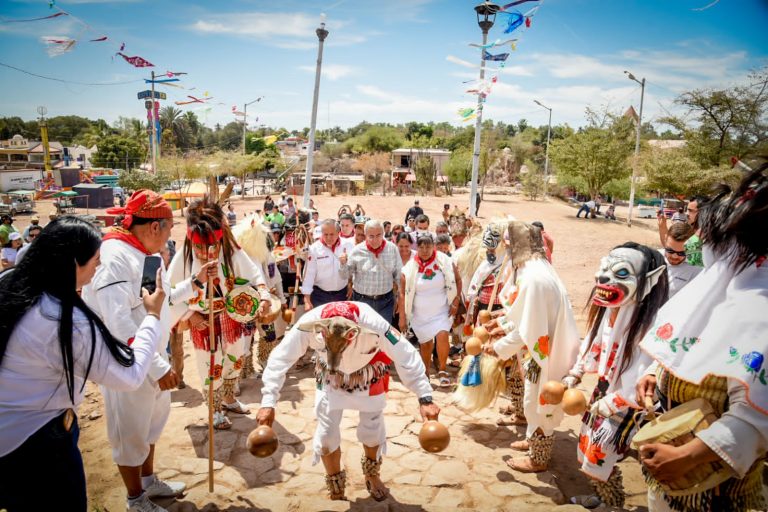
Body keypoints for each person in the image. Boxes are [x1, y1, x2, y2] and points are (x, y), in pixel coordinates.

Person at [0, 216, 168, 512]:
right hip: (40, 442)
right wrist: (152, 318)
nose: (99, 268)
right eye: (94, 261)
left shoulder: (11, 286)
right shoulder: (65, 321)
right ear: (72, 263)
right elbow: (128, 376)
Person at [635, 165, 768, 512]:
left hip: (716, 492)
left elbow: (756, 417)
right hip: (671, 480)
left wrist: (683, 457)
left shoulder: (758, 311)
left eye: (704, 236)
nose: (697, 244)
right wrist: (653, 374)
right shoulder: (716, 290)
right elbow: (684, 346)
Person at [80, 190, 195, 512]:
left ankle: (148, 481)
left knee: (150, 425)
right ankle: (135, 499)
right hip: (126, 364)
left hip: (152, 358)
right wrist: (158, 367)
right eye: (171, 226)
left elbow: (158, 302)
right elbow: (118, 324)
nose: (172, 234)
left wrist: (194, 285)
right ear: (154, 227)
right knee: (130, 432)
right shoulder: (114, 256)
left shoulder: (144, 252)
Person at [257, 301, 440, 502]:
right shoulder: (308, 324)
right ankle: (334, 482)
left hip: (369, 374)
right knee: (326, 434)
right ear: (322, 332)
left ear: (354, 334)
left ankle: (372, 475)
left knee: (372, 429)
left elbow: (406, 355)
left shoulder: (375, 325)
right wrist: (268, 401)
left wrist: (425, 397)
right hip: (328, 377)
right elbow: (280, 359)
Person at [565, 243, 668, 509]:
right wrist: (575, 374)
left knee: (601, 450)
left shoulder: (653, 322)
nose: (603, 278)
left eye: (621, 273)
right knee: (587, 447)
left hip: (628, 399)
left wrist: (615, 401)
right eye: (604, 269)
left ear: (649, 281)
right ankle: (606, 498)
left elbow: (647, 370)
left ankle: (611, 503)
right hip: (603, 390)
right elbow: (594, 342)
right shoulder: (610, 310)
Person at [484, 220, 581, 472]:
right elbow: (524, 314)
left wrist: (499, 347)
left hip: (544, 352)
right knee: (531, 400)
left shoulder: (535, 278)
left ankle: (539, 458)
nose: (506, 250)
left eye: (508, 244)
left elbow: (531, 330)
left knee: (538, 403)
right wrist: (502, 324)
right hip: (540, 349)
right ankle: (532, 439)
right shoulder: (534, 271)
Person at [169, 197, 271, 430]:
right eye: (200, 248)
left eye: (212, 245)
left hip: (231, 317)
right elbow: (169, 293)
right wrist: (189, 315)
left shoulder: (229, 247)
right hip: (202, 322)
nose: (207, 252)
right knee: (209, 365)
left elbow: (253, 274)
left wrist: (263, 295)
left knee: (235, 359)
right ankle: (214, 410)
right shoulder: (183, 257)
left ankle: (228, 399)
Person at [399, 233, 462, 387]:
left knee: (442, 335)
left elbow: (458, 280)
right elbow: (402, 293)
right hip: (419, 315)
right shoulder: (409, 267)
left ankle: (442, 370)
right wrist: (402, 317)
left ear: (433, 246)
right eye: (421, 247)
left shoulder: (445, 261)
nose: (425, 250)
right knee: (426, 344)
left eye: (428, 246)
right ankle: (425, 372)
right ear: (417, 248)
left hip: (442, 310)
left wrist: (456, 301)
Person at [341, 219, 402, 323]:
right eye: (371, 236)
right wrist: (343, 264)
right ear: (365, 235)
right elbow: (344, 276)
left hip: (386, 302)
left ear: (383, 233)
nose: (375, 240)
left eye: (378, 235)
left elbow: (399, 275)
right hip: (362, 302)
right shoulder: (356, 251)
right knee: (363, 334)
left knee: (383, 335)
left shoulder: (392, 249)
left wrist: (400, 299)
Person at [302, 219, 353, 310]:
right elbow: (309, 275)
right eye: (325, 234)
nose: (329, 238)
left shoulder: (348, 245)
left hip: (342, 295)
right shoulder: (314, 249)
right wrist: (307, 300)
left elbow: (353, 269)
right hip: (320, 296)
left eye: (332, 234)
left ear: (338, 233)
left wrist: (351, 285)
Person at [661, 222, 702, 298]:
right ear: (665, 240)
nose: (674, 256)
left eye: (681, 253)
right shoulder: (653, 259)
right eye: (670, 250)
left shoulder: (697, 270)